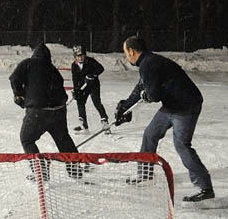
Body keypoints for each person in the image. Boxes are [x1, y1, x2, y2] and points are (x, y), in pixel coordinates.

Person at [115, 36, 214, 202]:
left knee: (181, 145)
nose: (126, 56)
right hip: (171, 106)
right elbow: (142, 86)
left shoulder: (149, 63)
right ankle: (145, 173)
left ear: (132, 51)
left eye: (126, 53)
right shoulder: (149, 62)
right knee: (150, 134)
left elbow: (152, 95)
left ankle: (205, 188)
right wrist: (125, 106)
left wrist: (146, 95)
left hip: (186, 106)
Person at [10, 43, 81, 180]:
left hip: (38, 112)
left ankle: (40, 171)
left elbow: (14, 78)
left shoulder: (28, 63)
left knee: (27, 139)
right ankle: (75, 168)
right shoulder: (53, 69)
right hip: (59, 111)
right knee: (63, 139)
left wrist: (18, 95)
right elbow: (62, 92)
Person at [70, 45, 110, 134]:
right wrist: (76, 90)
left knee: (96, 102)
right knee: (80, 102)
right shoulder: (74, 65)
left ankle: (105, 123)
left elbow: (101, 68)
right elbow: (75, 78)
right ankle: (84, 126)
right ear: (75, 56)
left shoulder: (91, 61)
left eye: (82, 55)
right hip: (83, 87)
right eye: (78, 56)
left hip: (93, 86)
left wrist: (92, 75)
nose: (80, 58)